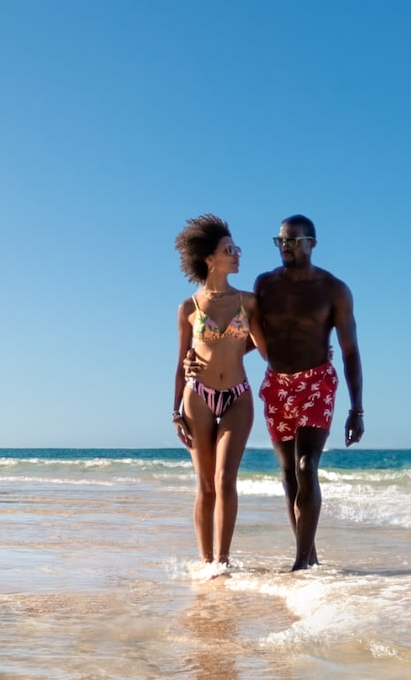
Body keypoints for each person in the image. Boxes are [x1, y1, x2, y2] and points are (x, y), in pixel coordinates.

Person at [251, 214, 362, 571]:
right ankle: (309, 555)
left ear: (312, 243)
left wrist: (357, 409)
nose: (285, 246)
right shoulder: (265, 284)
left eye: (293, 240)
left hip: (317, 384)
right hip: (277, 385)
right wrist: (206, 356)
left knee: (306, 465)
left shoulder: (334, 289)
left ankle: (300, 562)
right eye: (280, 240)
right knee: (287, 475)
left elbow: (349, 350)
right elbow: (253, 335)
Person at [172, 214, 263, 571]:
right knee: (206, 486)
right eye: (230, 249)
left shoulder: (250, 302)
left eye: (236, 248)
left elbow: (266, 347)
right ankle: (205, 562)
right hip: (198, 397)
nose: (238, 254)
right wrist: (174, 410)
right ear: (211, 258)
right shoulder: (188, 308)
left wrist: (314, 351)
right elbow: (180, 362)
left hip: (238, 395)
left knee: (226, 480)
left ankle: (221, 564)